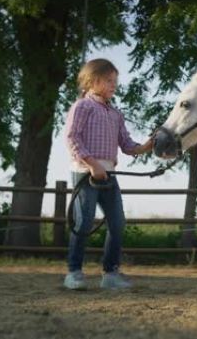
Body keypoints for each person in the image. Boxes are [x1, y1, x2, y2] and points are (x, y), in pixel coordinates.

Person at [63, 58, 152, 290]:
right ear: (93, 81)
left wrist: (146, 146)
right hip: (86, 173)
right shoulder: (82, 106)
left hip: (109, 175)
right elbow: (72, 137)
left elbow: (126, 144)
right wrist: (92, 164)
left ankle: (110, 274)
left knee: (118, 222)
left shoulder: (115, 114)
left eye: (115, 81)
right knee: (83, 223)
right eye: (109, 81)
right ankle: (74, 273)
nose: (114, 85)